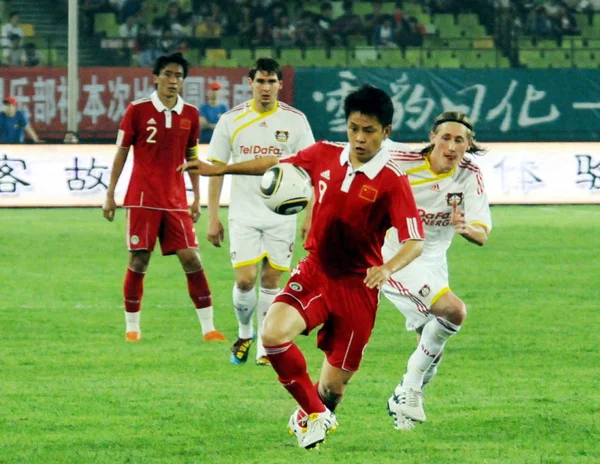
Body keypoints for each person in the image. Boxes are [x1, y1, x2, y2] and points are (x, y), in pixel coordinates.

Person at [179, 85, 425, 449]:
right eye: (353, 128)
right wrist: (224, 168)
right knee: (273, 335)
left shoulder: (392, 181)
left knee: (332, 388)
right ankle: (316, 415)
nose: (358, 138)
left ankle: (315, 411)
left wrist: (388, 267)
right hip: (315, 272)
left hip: (358, 287)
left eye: (368, 130)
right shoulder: (324, 154)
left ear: (386, 132)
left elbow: (414, 240)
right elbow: (276, 165)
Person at [102, 52, 225, 343]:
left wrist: (195, 196)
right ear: (155, 77)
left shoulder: (191, 114)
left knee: (192, 259)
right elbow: (121, 152)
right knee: (139, 261)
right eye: (168, 75)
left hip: (175, 201)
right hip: (142, 199)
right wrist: (110, 194)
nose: (173, 81)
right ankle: (133, 328)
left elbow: (192, 156)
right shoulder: (137, 109)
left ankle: (209, 329)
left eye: (179, 76)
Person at [383, 111, 492, 430]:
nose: (451, 144)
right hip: (397, 255)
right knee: (455, 311)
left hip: (433, 261)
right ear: (432, 137)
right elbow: (358, 145)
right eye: (446, 137)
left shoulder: (470, 175)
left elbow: (482, 233)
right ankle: (409, 390)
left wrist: (465, 228)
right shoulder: (399, 157)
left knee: (432, 351)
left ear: (469, 145)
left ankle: (401, 402)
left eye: (460, 140)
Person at [205, 57, 315, 366]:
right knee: (245, 279)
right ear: (250, 83)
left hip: (283, 213)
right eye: (260, 81)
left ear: (280, 84)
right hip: (243, 213)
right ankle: (244, 332)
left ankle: (265, 346)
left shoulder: (296, 121)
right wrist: (213, 216)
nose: (265, 87)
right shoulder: (231, 120)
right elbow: (216, 168)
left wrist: (310, 214)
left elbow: (312, 169)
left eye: (271, 82)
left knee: (271, 280)